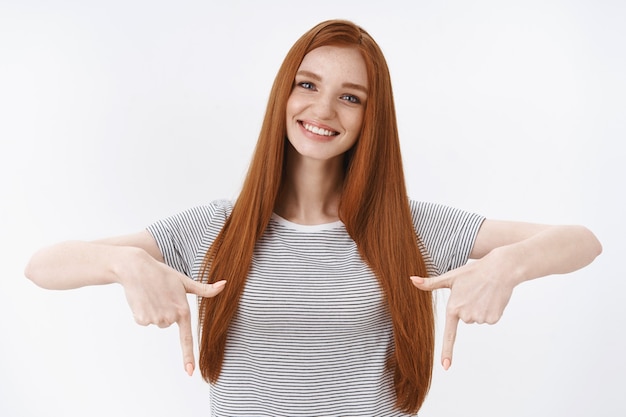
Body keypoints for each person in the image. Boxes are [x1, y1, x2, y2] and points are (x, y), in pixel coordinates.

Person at [24, 19, 602, 416]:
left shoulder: (411, 228)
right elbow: (41, 266)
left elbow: (583, 241)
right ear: (284, 95)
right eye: (308, 85)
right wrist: (124, 264)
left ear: (372, 117)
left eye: (350, 96)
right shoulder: (213, 228)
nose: (323, 110)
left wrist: (509, 266)